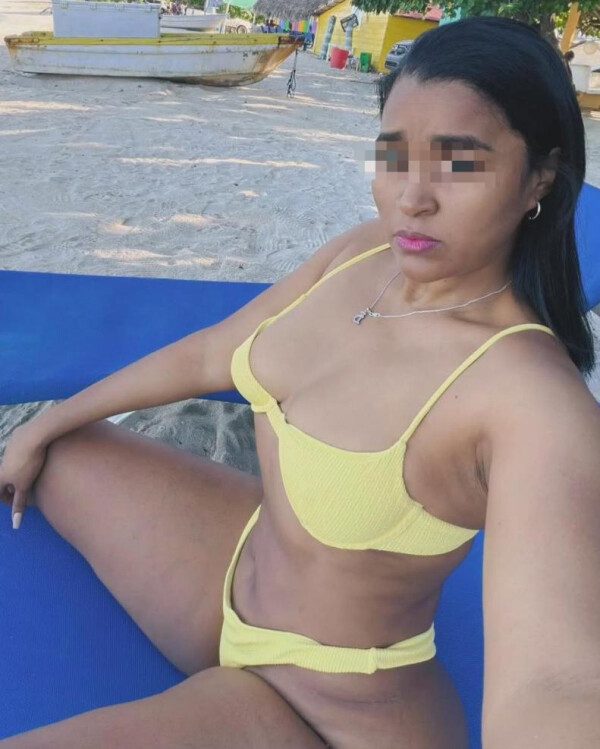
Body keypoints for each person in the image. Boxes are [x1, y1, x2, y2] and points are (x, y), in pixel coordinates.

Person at [1, 15, 599, 749]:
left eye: (459, 163)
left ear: (540, 175)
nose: (412, 197)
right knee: (57, 454)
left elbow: (557, 680)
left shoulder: (531, 399)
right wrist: (47, 421)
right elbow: (213, 352)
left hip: (324, 704)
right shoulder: (366, 253)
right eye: (393, 155)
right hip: (228, 574)